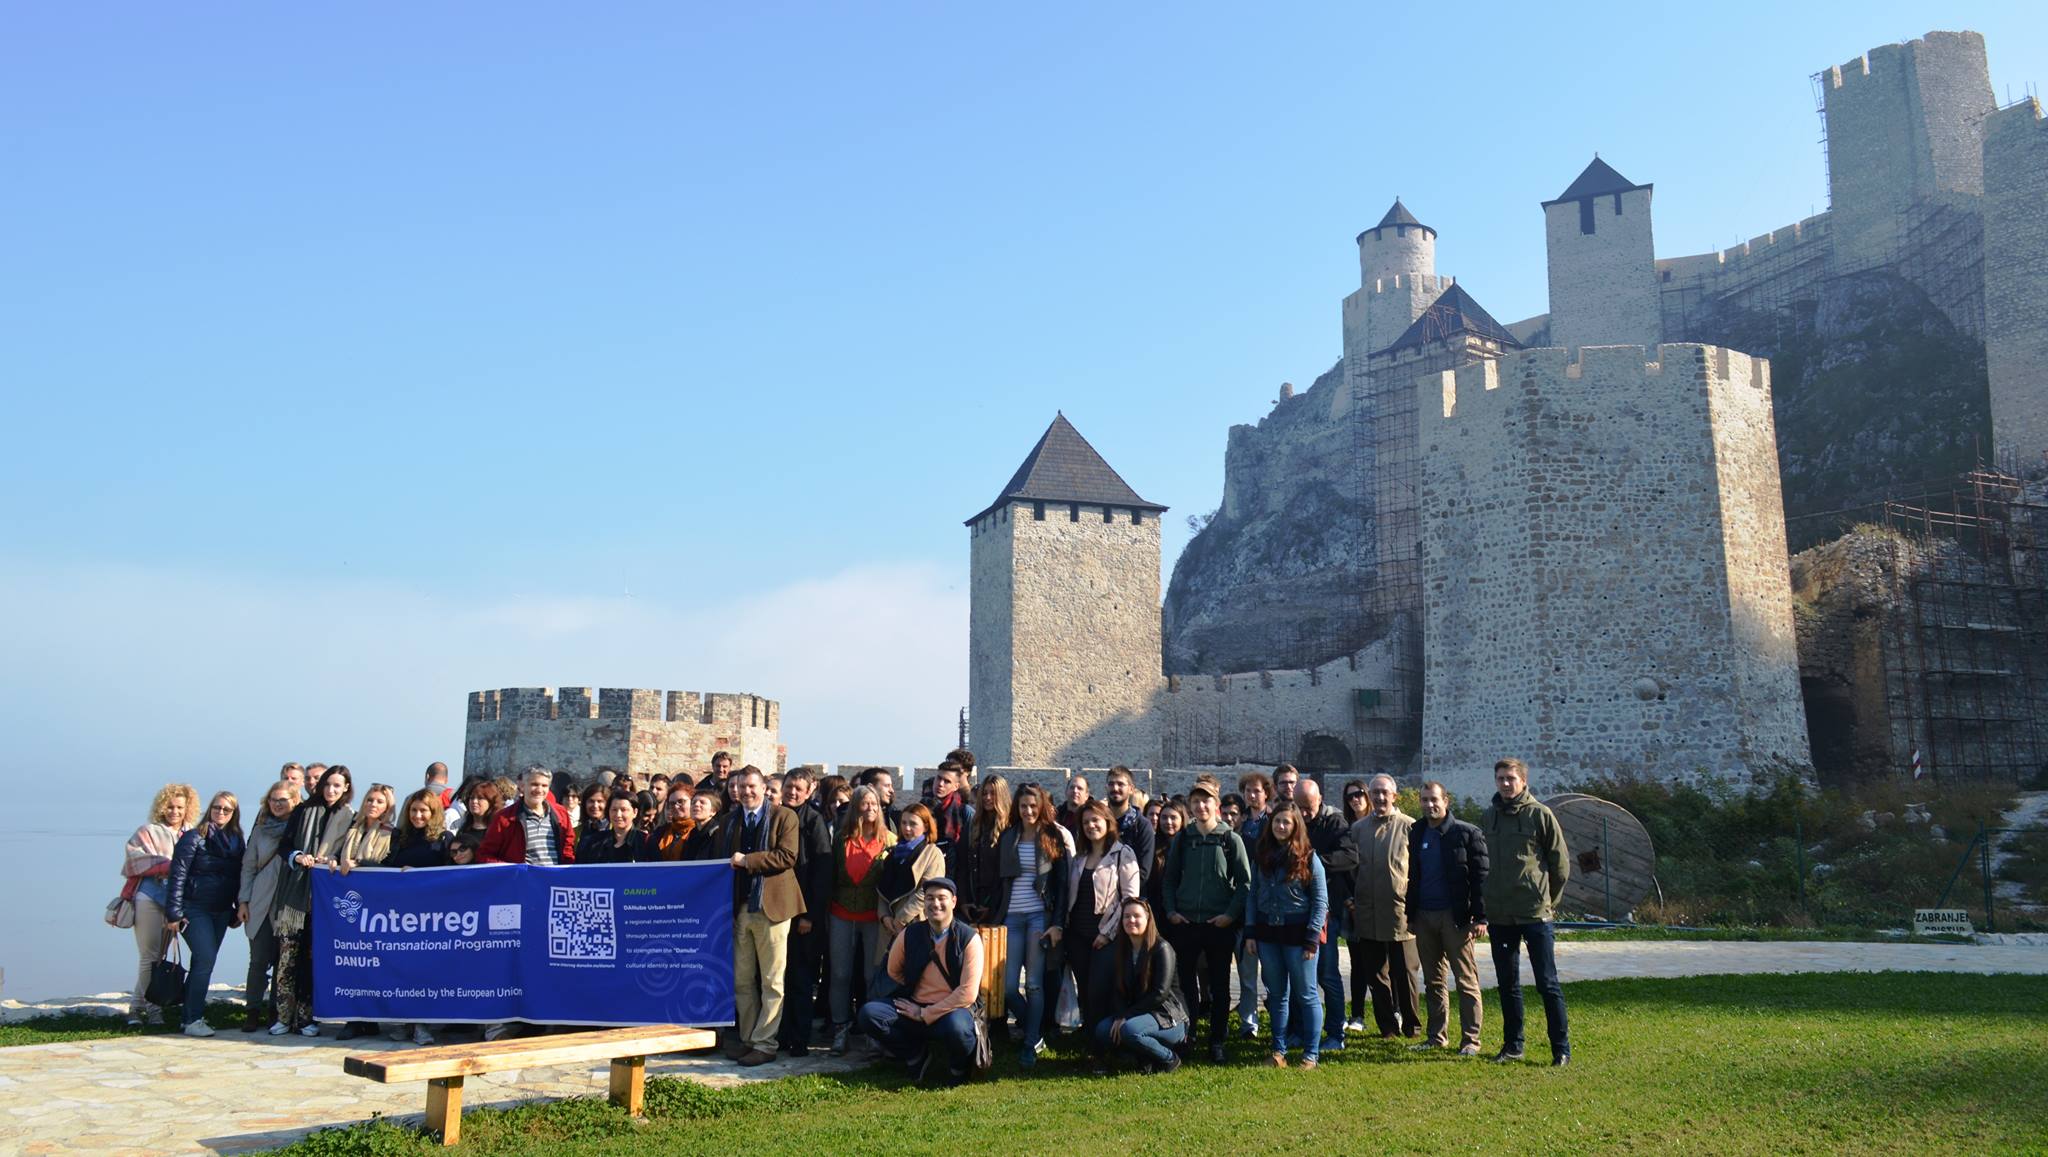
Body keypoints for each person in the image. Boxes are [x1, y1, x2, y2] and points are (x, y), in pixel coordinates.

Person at [854, 877, 984, 1087]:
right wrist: (915, 1000)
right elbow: (893, 971)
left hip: (951, 1011)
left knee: (959, 1029)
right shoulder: (909, 934)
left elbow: (967, 993)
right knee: (870, 1014)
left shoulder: (969, 938)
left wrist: (925, 1013)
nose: (935, 904)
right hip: (913, 1006)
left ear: (954, 901)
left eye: (942, 898)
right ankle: (916, 1056)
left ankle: (958, 1068)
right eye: (930, 898)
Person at [1483, 757, 1571, 1066]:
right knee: (1508, 984)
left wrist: (1548, 902)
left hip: (1534, 914)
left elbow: (1560, 865)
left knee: (1547, 983)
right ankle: (1513, 1045)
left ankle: (1560, 1049)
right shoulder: (1489, 816)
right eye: (1500, 779)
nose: (1505, 784)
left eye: (1511, 778)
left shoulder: (1540, 815)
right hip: (1500, 915)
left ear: (1523, 781)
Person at [717, 766, 803, 1067]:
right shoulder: (729, 822)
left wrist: (747, 861)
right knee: (741, 980)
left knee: (772, 981)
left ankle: (766, 1043)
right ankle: (749, 1039)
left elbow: (787, 856)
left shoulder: (785, 817)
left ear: (764, 787)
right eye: (740, 787)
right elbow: (720, 865)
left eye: (751, 786)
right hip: (740, 909)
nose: (745, 792)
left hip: (773, 909)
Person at [1161, 776, 1249, 1064]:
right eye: (1196, 801)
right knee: (1186, 985)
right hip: (1186, 923)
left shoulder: (1230, 839)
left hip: (1217, 924)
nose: (1200, 806)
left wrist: (1230, 915)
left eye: (1206, 800)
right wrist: (1172, 911)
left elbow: (1245, 884)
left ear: (1216, 804)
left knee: (1220, 986)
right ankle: (1189, 1035)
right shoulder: (1183, 839)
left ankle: (1217, 1039)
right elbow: (1170, 879)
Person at [985, 783, 1072, 1066]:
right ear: (1017, 808)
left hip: (1038, 916)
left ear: (1042, 807)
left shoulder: (1053, 837)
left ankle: (1029, 1043)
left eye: (1034, 806)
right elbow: (1000, 882)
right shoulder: (1009, 836)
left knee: (1034, 984)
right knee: (1009, 987)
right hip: (1012, 916)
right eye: (1024, 806)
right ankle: (1036, 1031)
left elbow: (1062, 884)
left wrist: (1058, 923)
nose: (1029, 811)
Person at [1048, 800, 1140, 1061]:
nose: (1091, 826)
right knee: (1086, 991)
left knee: (1103, 990)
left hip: (1106, 935)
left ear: (1107, 822)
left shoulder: (1123, 854)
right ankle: (1092, 1043)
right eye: (1086, 822)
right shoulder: (1079, 858)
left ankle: (1111, 1044)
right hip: (1078, 933)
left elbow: (1129, 900)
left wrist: (1108, 933)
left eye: (1095, 820)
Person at [271, 765, 354, 1036]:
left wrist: (334, 860)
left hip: (324, 899)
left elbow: (349, 852)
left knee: (312, 960)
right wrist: (297, 856)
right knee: (287, 960)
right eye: (327, 784)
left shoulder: (348, 817)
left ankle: (307, 1018)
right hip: (295, 895)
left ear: (345, 789)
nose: (331, 790)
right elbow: (284, 845)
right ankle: (283, 1016)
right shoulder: (303, 810)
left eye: (337, 786)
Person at [1408, 781, 1488, 1056]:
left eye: (1434, 799)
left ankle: (1470, 1040)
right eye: (1425, 800)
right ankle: (1436, 1036)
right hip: (1424, 916)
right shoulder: (1416, 832)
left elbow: (1480, 878)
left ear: (1446, 800)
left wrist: (1480, 917)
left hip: (1457, 917)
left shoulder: (1466, 833)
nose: (1430, 805)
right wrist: (1411, 914)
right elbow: (1413, 877)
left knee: (1466, 981)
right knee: (1433, 981)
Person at [1245, 800, 1327, 1068]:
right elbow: (1253, 895)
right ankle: (1278, 1052)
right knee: (1277, 994)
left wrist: (1312, 937)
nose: (1280, 826)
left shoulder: (1309, 857)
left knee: (1306, 994)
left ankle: (1311, 1054)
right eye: (1276, 821)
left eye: (1286, 822)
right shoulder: (1263, 855)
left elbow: (1320, 900)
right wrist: (1251, 932)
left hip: (1298, 935)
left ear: (1295, 826)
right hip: (1268, 933)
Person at [165, 791, 244, 1036]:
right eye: (217, 808)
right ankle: (193, 1020)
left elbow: (237, 877)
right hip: (194, 908)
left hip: (220, 911)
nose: (220, 813)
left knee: (202, 963)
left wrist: (236, 908)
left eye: (226, 810)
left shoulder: (236, 841)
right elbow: (177, 875)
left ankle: (188, 1017)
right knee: (205, 958)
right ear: (209, 809)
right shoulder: (193, 838)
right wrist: (173, 913)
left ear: (234, 814)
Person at [827, 785, 897, 1055]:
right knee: (840, 974)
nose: (870, 809)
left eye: (874, 804)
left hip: (874, 916)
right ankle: (840, 1028)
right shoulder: (841, 839)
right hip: (841, 912)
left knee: (872, 975)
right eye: (864, 804)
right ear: (855, 807)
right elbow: (831, 875)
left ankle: (872, 1030)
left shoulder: (890, 840)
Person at [1349, 774, 1420, 1040]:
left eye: (1384, 792)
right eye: (1375, 792)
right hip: (1368, 910)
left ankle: (1412, 1026)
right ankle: (1388, 1027)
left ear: (1394, 796)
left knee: (1405, 973)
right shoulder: (1358, 829)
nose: (1379, 797)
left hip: (1400, 911)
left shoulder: (1409, 826)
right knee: (1376, 975)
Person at [122, 783, 198, 1026]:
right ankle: (152, 1012)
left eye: (179, 807)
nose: (174, 811)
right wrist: (171, 865)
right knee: (148, 956)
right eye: (169, 806)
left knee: (158, 958)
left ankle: (135, 1007)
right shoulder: (148, 831)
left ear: (187, 809)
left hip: (176, 899)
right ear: (161, 807)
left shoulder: (193, 834)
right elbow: (135, 859)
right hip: (149, 896)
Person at [1091, 898, 1188, 1074]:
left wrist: (1126, 1016)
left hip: (1167, 1016)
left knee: (1130, 1030)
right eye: (1126, 917)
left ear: (1148, 919)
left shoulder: (1162, 948)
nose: (1131, 920)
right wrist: (1121, 1015)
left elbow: (1160, 993)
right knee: (1103, 1030)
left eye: (1136, 916)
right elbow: (1118, 990)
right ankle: (1143, 1058)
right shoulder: (1122, 949)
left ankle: (1169, 1058)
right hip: (1137, 1015)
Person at [1296, 777, 1357, 1053]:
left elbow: (1349, 856)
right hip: (1295, 909)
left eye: (1308, 807)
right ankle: (1300, 1030)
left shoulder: (1335, 823)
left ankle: (1335, 1032)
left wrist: (1313, 863)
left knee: (1327, 974)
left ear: (1319, 800)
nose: (1305, 813)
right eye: (1300, 807)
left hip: (1325, 911)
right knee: (1297, 975)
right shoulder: (1291, 821)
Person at [779, 769, 836, 1057]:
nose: (792, 792)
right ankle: (782, 1035)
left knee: (800, 980)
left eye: (798, 788)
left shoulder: (813, 822)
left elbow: (822, 873)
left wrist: (810, 916)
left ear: (808, 791)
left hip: (802, 915)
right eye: (789, 786)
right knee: (780, 978)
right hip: (779, 912)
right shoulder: (776, 816)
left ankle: (799, 1039)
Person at [237, 780, 297, 1032]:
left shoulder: (299, 831)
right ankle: (252, 1010)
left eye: (283, 800)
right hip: (260, 902)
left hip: (287, 903)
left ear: (294, 801)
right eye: (273, 800)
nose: (277, 804)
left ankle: (277, 1011)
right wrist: (243, 901)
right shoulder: (260, 831)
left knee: (283, 961)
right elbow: (248, 867)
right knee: (259, 960)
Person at [1232, 771, 1275, 1037]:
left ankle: (1281, 1018)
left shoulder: (1273, 823)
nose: (1252, 795)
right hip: (1245, 900)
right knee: (1247, 971)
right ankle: (1250, 1022)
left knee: (1272, 972)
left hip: (1268, 903)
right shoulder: (1241, 825)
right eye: (1248, 790)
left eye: (1256, 790)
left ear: (1266, 793)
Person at [479, 765, 577, 865]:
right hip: (523, 879)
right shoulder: (504, 818)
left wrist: (567, 870)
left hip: (554, 878)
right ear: (522, 786)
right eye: (534, 784)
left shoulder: (561, 814)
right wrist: (511, 870)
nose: (539, 790)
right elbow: (485, 854)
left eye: (544, 786)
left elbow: (568, 848)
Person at [877, 804, 946, 939]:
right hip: (889, 927)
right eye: (903, 823)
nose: (907, 828)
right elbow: (881, 888)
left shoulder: (932, 853)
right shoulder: (892, 853)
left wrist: (901, 919)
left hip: (916, 923)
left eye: (913, 823)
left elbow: (927, 891)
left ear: (925, 827)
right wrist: (884, 916)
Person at [958, 774, 1010, 928]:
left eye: (993, 793)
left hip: (997, 905)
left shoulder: (1009, 828)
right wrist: (963, 901)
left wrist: (992, 904)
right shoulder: (972, 826)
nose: (988, 797)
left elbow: (1004, 874)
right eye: (984, 793)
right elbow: (962, 866)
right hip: (972, 901)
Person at [1103, 767, 1156, 887]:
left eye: (1120, 784)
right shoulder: (1100, 823)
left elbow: (1143, 872)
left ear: (1131, 789)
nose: (1115, 788)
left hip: (1128, 897)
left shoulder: (1142, 825)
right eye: (1111, 784)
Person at [927, 761, 974, 880]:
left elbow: (969, 851)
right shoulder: (923, 809)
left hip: (956, 877)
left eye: (947, 781)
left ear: (956, 786)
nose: (940, 784)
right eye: (938, 778)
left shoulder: (964, 812)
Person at [579, 793, 649, 864]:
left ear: (635, 812)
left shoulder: (646, 842)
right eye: (614, 810)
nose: (618, 815)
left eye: (623, 810)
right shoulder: (593, 842)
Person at [1144, 799, 1186, 915]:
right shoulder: (1151, 845)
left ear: (1182, 820)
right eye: (1164, 817)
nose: (1168, 821)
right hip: (1156, 908)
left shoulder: (1189, 846)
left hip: (1182, 910)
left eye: (1173, 817)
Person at [647, 786, 698, 861]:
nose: (676, 806)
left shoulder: (700, 832)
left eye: (681, 801)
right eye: (672, 803)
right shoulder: (660, 833)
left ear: (693, 802)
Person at [576, 782, 612, 849]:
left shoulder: (616, 831)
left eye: (600, 801)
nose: (595, 806)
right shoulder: (576, 833)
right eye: (591, 801)